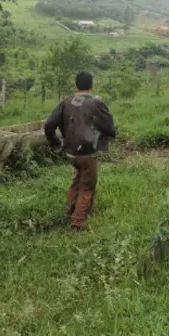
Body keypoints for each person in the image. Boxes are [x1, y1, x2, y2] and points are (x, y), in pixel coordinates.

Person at [44, 71, 117, 230]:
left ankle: (71, 210)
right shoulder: (96, 103)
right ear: (91, 84)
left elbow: (48, 125)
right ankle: (78, 222)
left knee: (78, 180)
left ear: (77, 84)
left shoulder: (66, 102)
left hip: (71, 152)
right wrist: (110, 134)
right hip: (88, 153)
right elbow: (109, 127)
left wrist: (55, 143)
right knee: (87, 186)